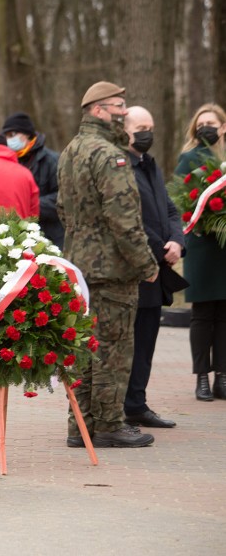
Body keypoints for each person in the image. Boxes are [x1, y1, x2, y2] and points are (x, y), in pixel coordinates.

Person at [57, 81, 159, 449]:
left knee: (84, 346)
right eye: (118, 105)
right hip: (112, 269)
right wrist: (147, 263)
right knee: (112, 349)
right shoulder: (110, 155)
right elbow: (125, 220)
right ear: (98, 110)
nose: (124, 112)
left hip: (80, 265)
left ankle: (79, 425)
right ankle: (109, 424)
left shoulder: (71, 151)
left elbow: (63, 210)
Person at [122, 106, 185, 427]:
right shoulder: (121, 169)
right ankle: (122, 405)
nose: (147, 133)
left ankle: (137, 403)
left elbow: (171, 210)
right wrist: (161, 247)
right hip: (136, 268)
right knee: (129, 344)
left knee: (147, 341)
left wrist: (177, 241)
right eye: (141, 127)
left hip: (158, 268)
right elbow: (129, 220)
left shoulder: (151, 166)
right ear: (125, 130)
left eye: (151, 127)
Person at [174, 103, 226, 401]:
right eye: (201, 123)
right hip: (203, 244)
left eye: (212, 122)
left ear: (223, 127)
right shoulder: (189, 158)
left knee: (225, 314)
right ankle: (201, 378)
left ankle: (222, 376)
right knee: (203, 313)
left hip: (225, 246)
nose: (206, 127)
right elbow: (181, 200)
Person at [1, 112, 64, 248]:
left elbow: (61, 197)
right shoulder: (8, 162)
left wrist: (30, 207)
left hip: (50, 236)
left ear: (27, 134)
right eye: (6, 136)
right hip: (18, 238)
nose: (9, 140)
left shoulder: (51, 160)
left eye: (12, 135)